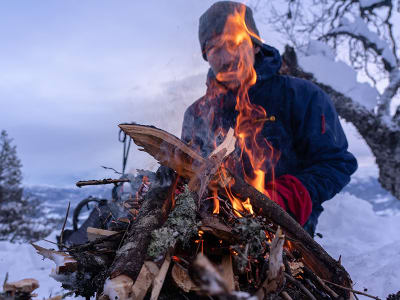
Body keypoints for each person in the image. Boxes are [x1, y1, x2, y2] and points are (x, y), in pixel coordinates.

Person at [181, 1, 357, 236]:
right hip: (212, 230)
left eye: (233, 43)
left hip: (287, 233)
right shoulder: (197, 113)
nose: (225, 57)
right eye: (214, 49)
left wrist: (286, 196)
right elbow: (187, 172)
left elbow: (336, 163)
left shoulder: (302, 96)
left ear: (254, 46)